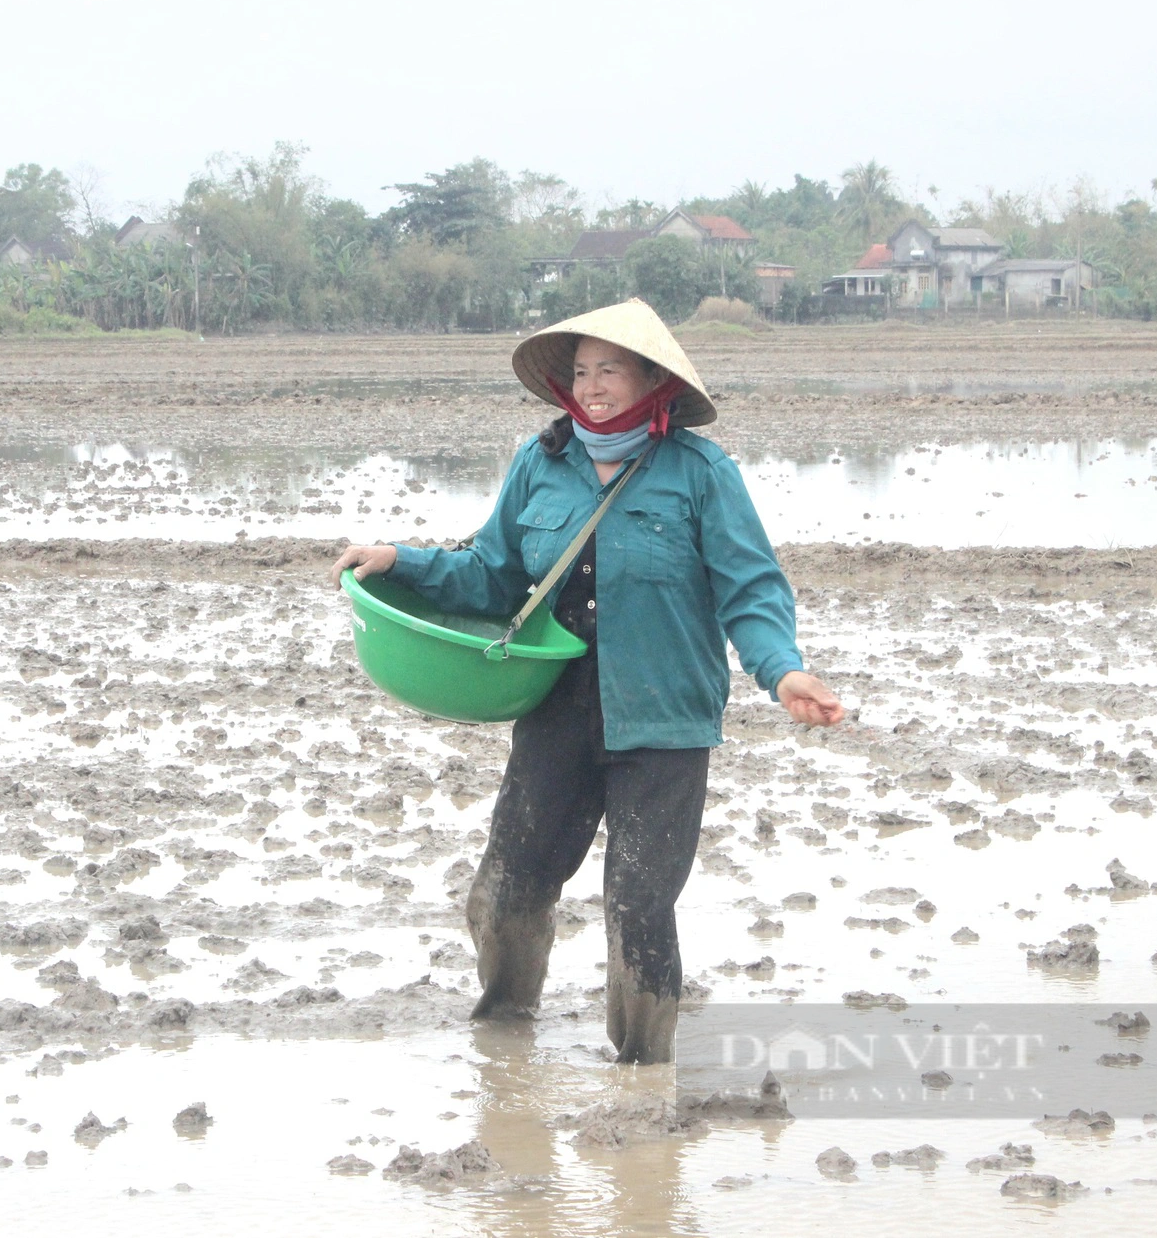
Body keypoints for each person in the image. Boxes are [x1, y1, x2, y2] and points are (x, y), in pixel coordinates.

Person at [333, 298, 844, 1063]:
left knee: (638, 910)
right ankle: (504, 1045)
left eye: (612, 369)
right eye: (582, 371)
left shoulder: (701, 474)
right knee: (507, 887)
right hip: (559, 713)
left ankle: (642, 1076)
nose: (595, 385)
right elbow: (491, 575)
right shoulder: (542, 462)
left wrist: (784, 669)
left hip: (664, 723)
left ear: (652, 381)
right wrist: (401, 560)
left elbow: (751, 588)